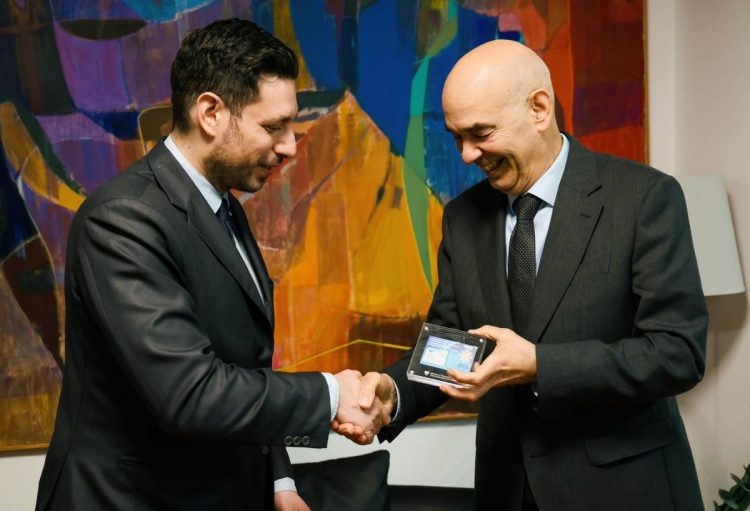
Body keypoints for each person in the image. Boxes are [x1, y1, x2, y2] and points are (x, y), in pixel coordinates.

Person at [36, 18, 389, 511]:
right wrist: (332, 394)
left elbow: (248, 369)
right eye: (273, 127)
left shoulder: (225, 208)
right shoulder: (122, 220)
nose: (290, 145)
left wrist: (280, 482)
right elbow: (190, 394)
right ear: (210, 113)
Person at [342, 39, 707, 511]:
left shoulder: (645, 199)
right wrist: (390, 394)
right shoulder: (462, 218)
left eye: (480, 133)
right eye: (456, 137)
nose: (467, 155)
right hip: (507, 492)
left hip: (623, 491)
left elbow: (678, 354)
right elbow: (452, 344)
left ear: (539, 108)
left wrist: (539, 364)